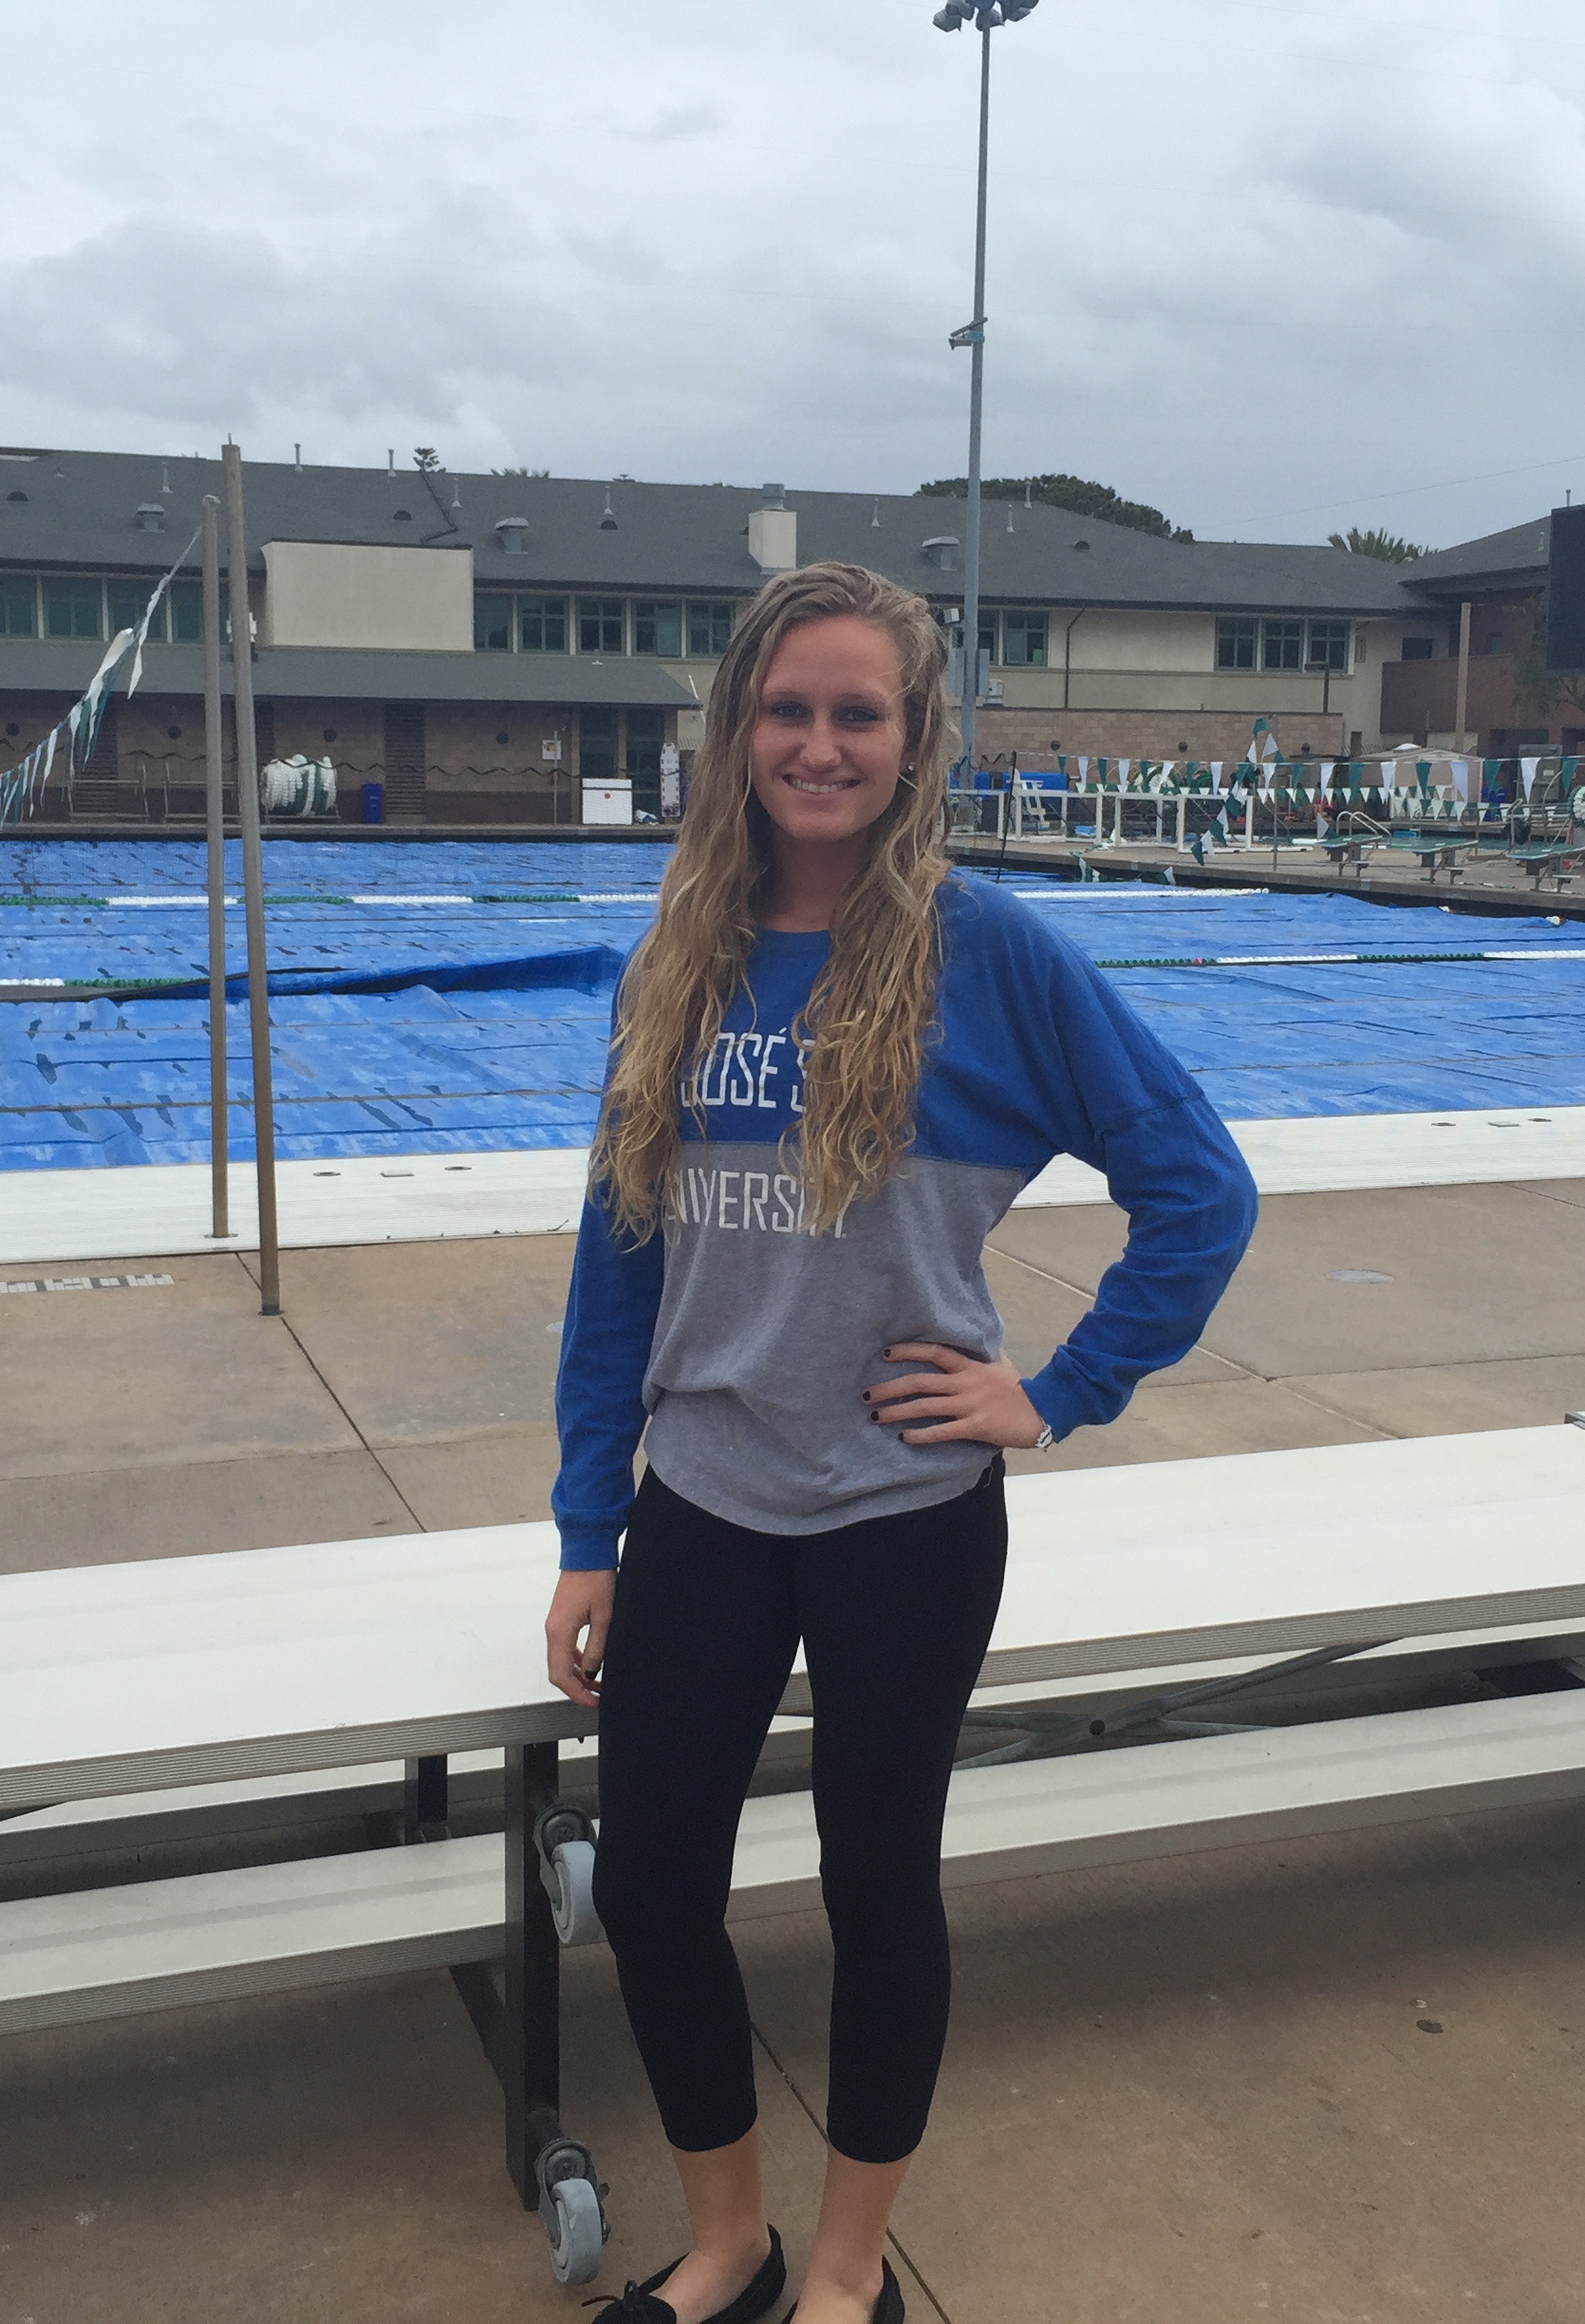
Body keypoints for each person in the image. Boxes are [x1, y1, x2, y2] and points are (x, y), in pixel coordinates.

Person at [547, 560, 1258, 2324]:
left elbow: (1200, 1188)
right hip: (705, 1500)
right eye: (787, 710)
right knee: (651, 1885)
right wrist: (585, 1528)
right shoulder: (678, 958)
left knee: (877, 1889)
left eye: (857, 713)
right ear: (737, 730)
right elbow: (618, 1262)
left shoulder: (986, 954)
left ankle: (848, 2269)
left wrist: (1056, 1390)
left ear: (914, 736)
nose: (820, 744)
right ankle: (730, 2244)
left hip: (903, 1514)